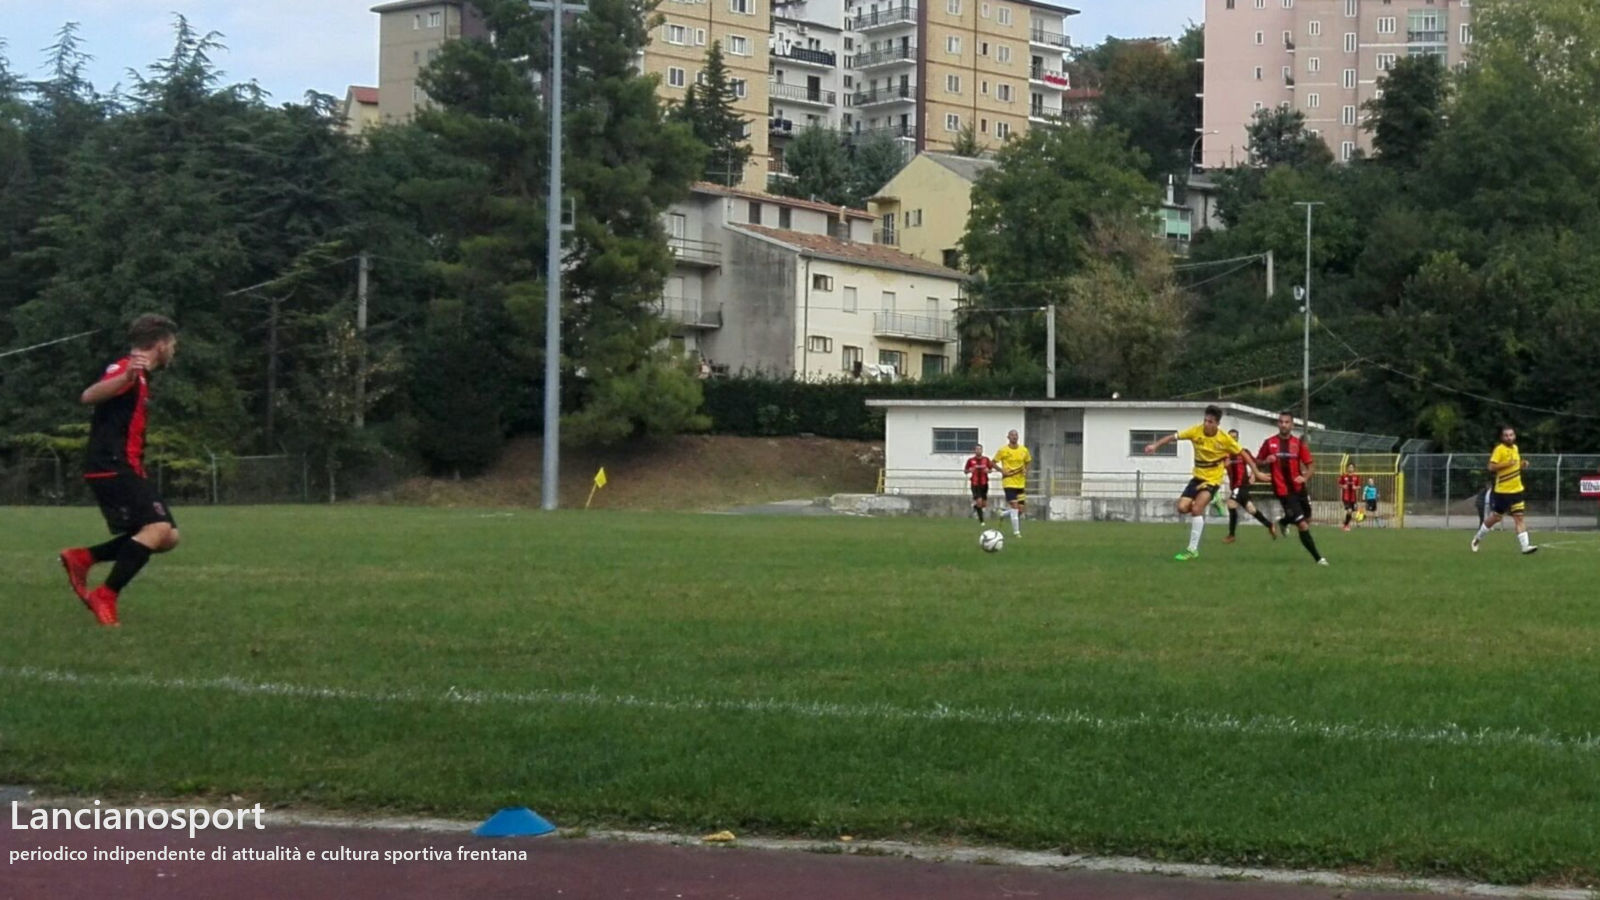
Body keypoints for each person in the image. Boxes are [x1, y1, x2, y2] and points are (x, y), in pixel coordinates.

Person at [57, 315, 182, 626]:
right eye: (173, 345)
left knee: (168, 536)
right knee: (157, 529)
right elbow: (89, 395)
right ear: (161, 344)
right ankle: (106, 594)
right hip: (111, 465)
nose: (174, 351)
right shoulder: (127, 369)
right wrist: (126, 376)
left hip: (126, 466)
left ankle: (84, 557)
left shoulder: (140, 375)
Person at [1143, 405, 1258, 561]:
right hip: (1197, 477)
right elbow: (1172, 437)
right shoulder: (1195, 431)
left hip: (1213, 479)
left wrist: (1255, 472)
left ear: (1217, 424)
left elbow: (1243, 454)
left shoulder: (1225, 439)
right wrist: (1155, 446)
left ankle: (1192, 550)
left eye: (1210, 421)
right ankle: (1207, 506)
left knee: (1197, 509)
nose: (1206, 424)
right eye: (1205, 420)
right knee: (1182, 507)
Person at [1256, 410, 1329, 565]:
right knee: (1302, 524)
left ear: (1292, 424)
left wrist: (1305, 477)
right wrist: (1265, 461)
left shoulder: (1298, 444)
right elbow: (1258, 461)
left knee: (1307, 518)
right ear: (1278, 424)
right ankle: (1318, 558)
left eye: (1286, 422)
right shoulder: (1269, 443)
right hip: (1283, 490)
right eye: (1281, 422)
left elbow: (1311, 465)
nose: (1283, 425)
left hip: (1299, 488)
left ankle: (1283, 522)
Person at [1472, 426, 1537, 555]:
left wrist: (1522, 464)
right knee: (1496, 517)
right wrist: (1507, 464)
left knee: (1519, 518)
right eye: (1506, 435)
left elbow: (1515, 465)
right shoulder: (1499, 450)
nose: (1509, 437)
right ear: (1502, 437)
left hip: (1517, 490)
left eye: (1511, 435)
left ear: (1514, 436)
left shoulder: (1515, 448)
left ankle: (1525, 546)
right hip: (1503, 491)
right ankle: (1477, 538)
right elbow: (1491, 467)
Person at [1222, 429, 1276, 544]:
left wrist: (1254, 473)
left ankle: (1231, 535)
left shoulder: (1243, 452)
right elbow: (1217, 467)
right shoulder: (1225, 454)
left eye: (1235, 437)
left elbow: (1255, 462)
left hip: (1241, 485)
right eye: (1230, 437)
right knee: (1251, 509)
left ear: (1237, 439)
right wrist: (1224, 466)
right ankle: (1270, 525)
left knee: (1231, 504)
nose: (1232, 439)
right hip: (1235, 486)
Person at [993, 430, 1032, 538]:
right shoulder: (1003, 450)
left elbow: (1028, 461)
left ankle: (1003, 514)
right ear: (1008, 437)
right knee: (1014, 506)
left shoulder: (1023, 450)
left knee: (1020, 510)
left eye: (1016, 435)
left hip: (1020, 483)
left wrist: (1026, 470)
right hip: (1009, 482)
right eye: (1012, 435)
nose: (1014, 437)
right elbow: (992, 462)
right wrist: (1001, 470)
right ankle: (1017, 533)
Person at [964, 443, 1000, 525]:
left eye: (979, 449)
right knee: (979, 501)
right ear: (975, 450)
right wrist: (970, 470)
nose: (978, 450)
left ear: (982, 450)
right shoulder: (970, 460)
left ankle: (975, 507)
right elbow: (965, 471)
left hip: (984, 483)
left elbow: (990, 469)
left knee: (984, 504)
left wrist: (988, 471)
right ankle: (982, 521)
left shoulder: (986, 460)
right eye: (977, 449)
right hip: (975, 484)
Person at [1339, 463, 1360, 531]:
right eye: (1349, 467)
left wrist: (1355, 487)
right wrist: (1343, 486)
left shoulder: (1356, 477)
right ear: (1347, 468)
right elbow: (1340, 484)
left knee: (1350, 512)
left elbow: (1359, 486)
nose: (1350, 468)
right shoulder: (1344, 476)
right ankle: (1346, 525)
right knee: (1349, 510)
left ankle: (1345, 525)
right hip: (1346, 497)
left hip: (1353, 497)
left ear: (1354, 469)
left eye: (1352, 467)